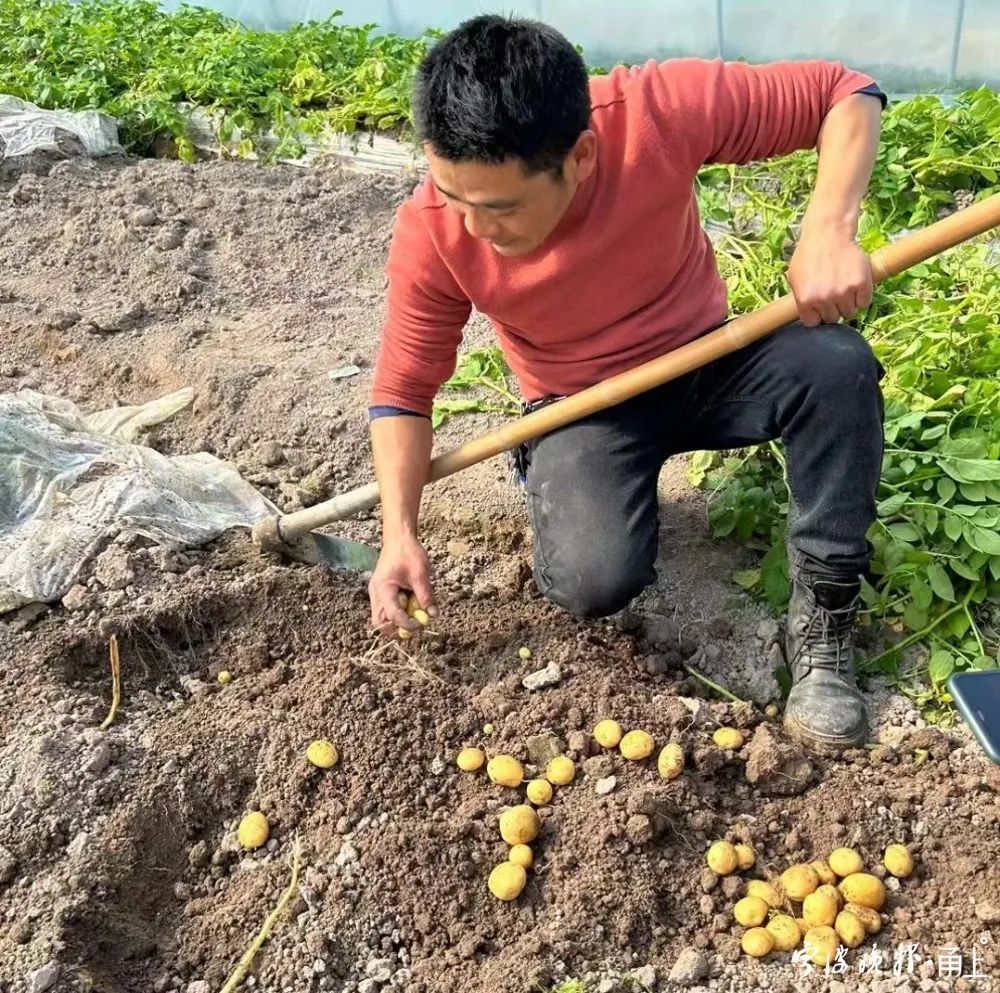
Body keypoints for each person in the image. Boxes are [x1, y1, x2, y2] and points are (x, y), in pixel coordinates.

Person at [366, 15, 887, 750]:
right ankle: (570, 471)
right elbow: (401, 392)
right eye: (454, 196)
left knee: (836, 366)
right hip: (583, 405)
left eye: (500, 208)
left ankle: (826, 626)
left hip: (707, 359)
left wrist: (830, 226)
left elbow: (846, 91)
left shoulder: (655, 112)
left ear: (580, 156)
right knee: (593, 580)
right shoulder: (433, 230)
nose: (473, 228)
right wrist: (399, 531)